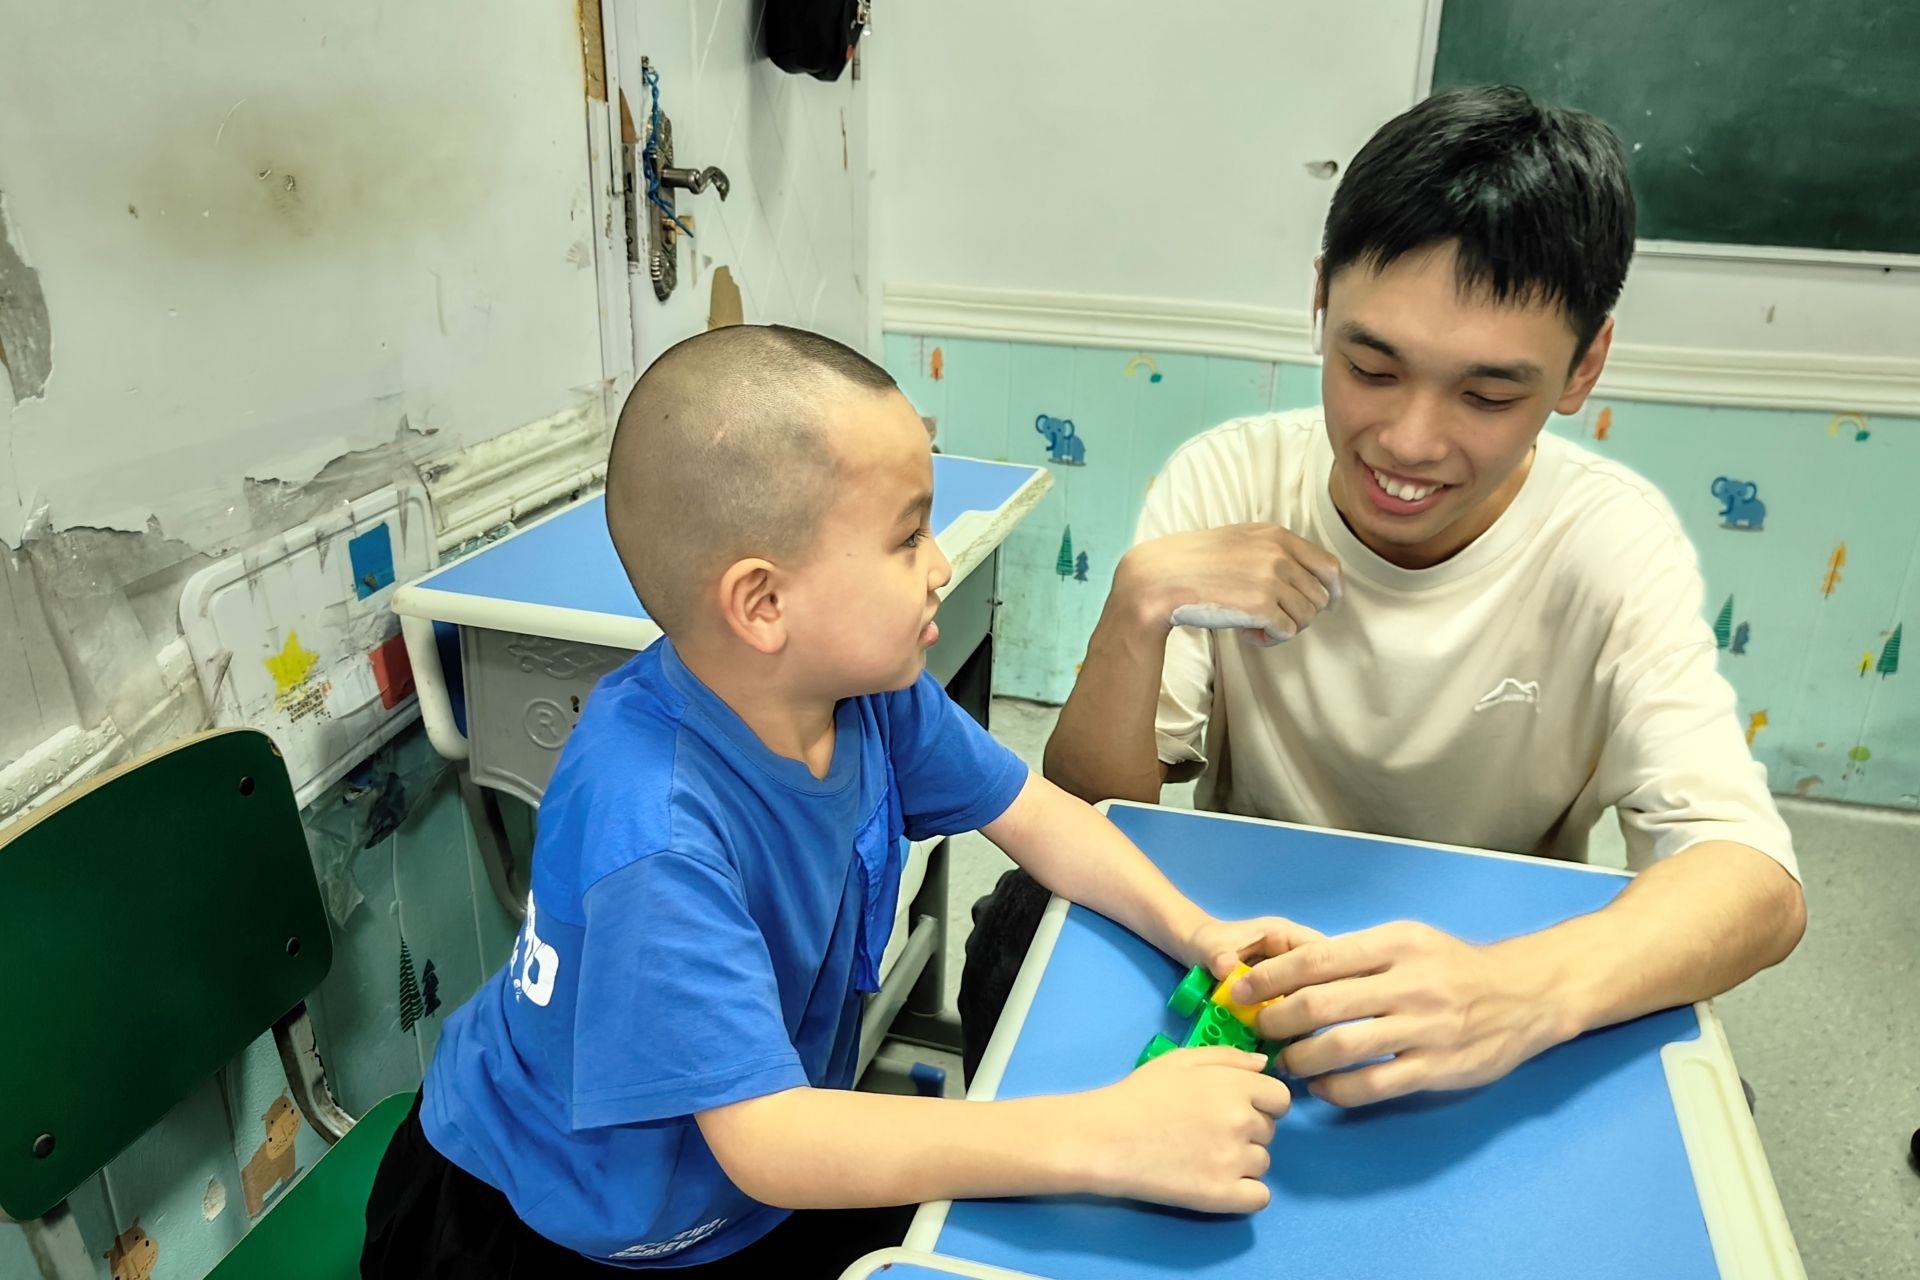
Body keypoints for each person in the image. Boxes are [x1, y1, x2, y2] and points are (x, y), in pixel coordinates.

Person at [360, 324, 1299, 1278]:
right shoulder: (657, 833)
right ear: (763, 603)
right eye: (908, 536)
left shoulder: (862, 693)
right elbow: (770, 1139)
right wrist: (1105, 1135)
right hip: (551, 1229)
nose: (941, 565)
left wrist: (1197, 930)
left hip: (739, 1182)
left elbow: (1035, 812)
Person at [961, 85, 1807, 1105]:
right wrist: (1137, 605)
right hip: (1249, 930)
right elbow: (1098, 813)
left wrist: (1517, 991)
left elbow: (1753, 879)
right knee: (1018, 920)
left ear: (1584, 367)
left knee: (1705, 1104)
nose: (1409, 441)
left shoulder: (1611, 543)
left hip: (1487, 950)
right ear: (1320, 301)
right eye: (1370, 366)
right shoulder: (1230, 477)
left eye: (1487, 395)